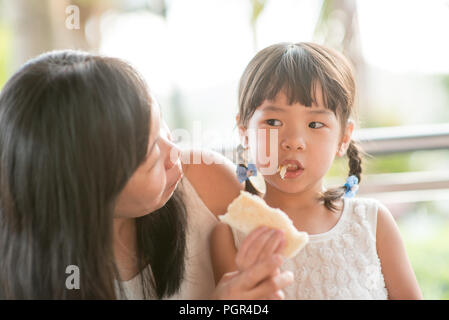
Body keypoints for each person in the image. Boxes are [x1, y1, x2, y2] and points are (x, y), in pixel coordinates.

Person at [0, 50, 293, 299]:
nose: (174, 152)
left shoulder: (207, 184)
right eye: (152, 153)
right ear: (90, 193)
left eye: (162, 126)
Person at [210, 42, 423, 300]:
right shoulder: (230, 234)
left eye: (315, 123)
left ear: (344, 138)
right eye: (273, 122)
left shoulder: (372, 222)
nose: (294, 140)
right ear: (245, 132)